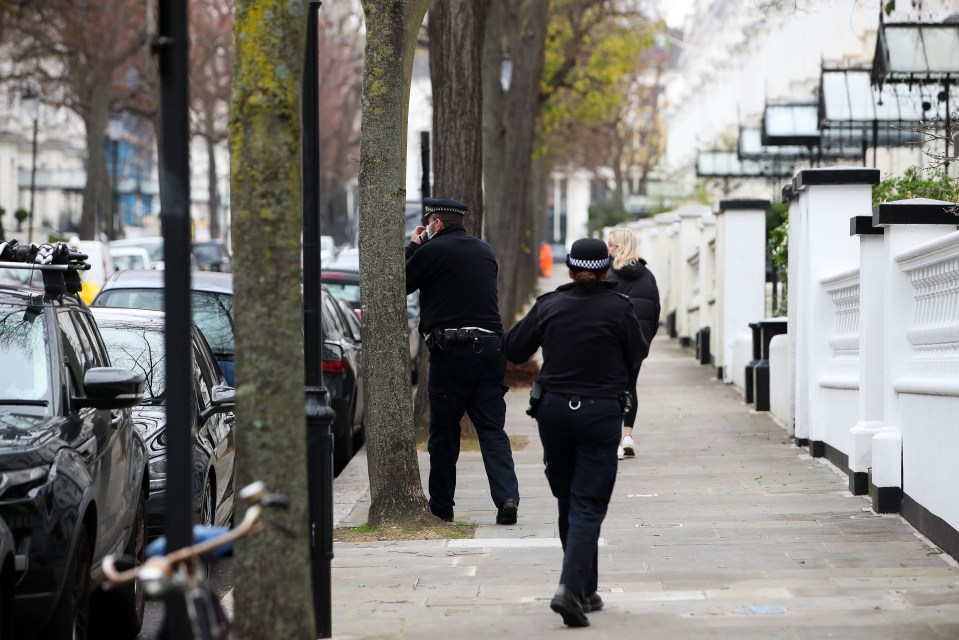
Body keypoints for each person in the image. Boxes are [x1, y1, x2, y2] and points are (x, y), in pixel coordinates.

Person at [502, 238, 645, 627]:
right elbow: (637, 353)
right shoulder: (620, 308)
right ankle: (568, 587)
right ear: (605, 271)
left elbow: (514, 348)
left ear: (568, 270)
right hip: (599, 412)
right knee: (588, 502)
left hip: (554, 412)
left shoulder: (550, 305)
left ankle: (586, 589)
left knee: (569, 497)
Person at [406, 197, 520, 525]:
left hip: (451, 351)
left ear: (436, 224)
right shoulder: (484, 250)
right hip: (490, 348)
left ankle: (442, 506)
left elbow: (400, 282)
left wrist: (414, 247)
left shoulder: (432, 250)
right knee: (492, 429)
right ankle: (507, 497)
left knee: (444, 433)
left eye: (429, 222)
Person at [605, 228, 660, 460]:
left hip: (611, 342)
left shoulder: (607, 273)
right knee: (630, 386)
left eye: (610, 245)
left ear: (619, 247)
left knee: (611, 389)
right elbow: (656, 311)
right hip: (637, 343)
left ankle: (615, 441)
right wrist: (645, 340)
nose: (607, 249)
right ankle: (628, 436)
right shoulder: (647, 276)